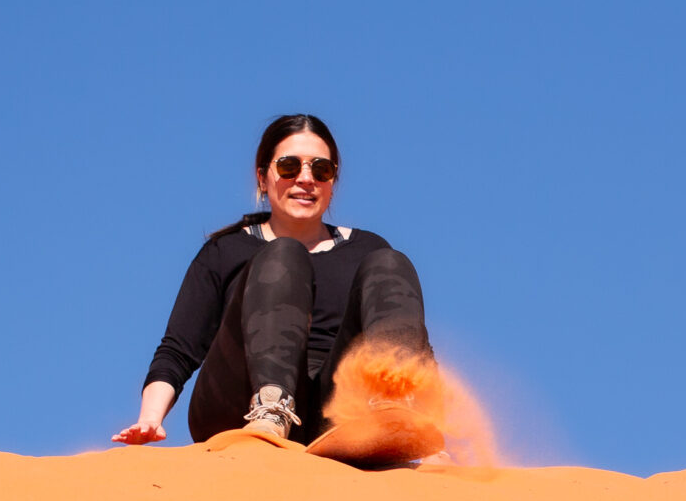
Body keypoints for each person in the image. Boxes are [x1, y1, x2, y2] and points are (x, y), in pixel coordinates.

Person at [113, 114, 441, 460]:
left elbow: (412, 342)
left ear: (333, 182)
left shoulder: (367, 249)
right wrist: (150, 419)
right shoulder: (226, 251)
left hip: (335, 413)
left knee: (391, 262)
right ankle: (271, 409)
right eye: (289, 166)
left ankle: (391, 410)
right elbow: (178, 350)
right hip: (238, 406)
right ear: (263, 177)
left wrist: (431, 438)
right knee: (284, 255)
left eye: (321, 170)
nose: (305, 179)